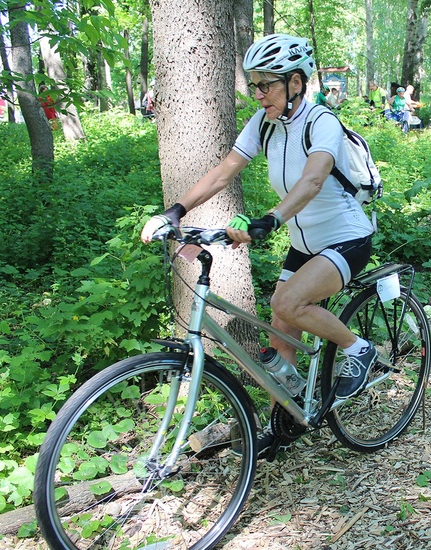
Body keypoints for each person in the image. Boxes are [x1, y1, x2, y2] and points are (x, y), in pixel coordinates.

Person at [140, 34, 377, 454]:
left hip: (347, 237)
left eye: (267, 84)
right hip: (305, 242)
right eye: (255, 84)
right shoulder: (264, 122)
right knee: (280, 329)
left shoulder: (322, 122)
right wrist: (175, 210)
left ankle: (359, 350)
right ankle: (282, 424)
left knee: (288, 304)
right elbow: (224, 171)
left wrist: (271, 219)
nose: (258, 93)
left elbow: (314, 179)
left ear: (297, 83)